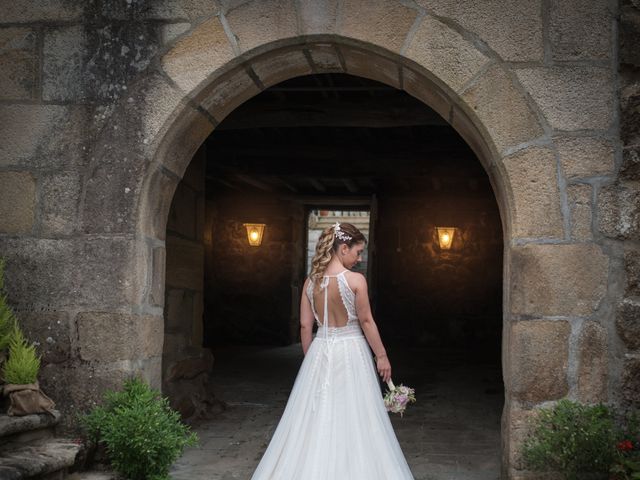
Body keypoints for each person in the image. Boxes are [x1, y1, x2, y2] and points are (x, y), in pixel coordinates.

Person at [250, 221, 415, 479]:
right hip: (352, 351)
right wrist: (381, 356)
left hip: (320, 350)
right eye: (358, 252)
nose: (359, 259)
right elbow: (367, 321)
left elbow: (305, 326)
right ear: (343, 248)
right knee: (357, 414)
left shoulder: (310, 282)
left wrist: (311, 360)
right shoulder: (355, 281)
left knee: (314, 416)